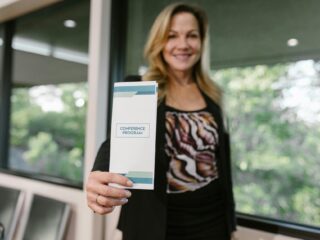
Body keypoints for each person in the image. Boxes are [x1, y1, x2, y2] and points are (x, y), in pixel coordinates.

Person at [86, 2, 236, 240]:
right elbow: (116, 142)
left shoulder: (213, 95)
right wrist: (98, 173)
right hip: (155, 222)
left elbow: (222, 163)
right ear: (159, 42)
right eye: (172, 36)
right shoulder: (140, 87)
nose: (183, 44)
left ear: (201, 42)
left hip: (212, 222)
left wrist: (231, 226)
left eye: (192, 36)